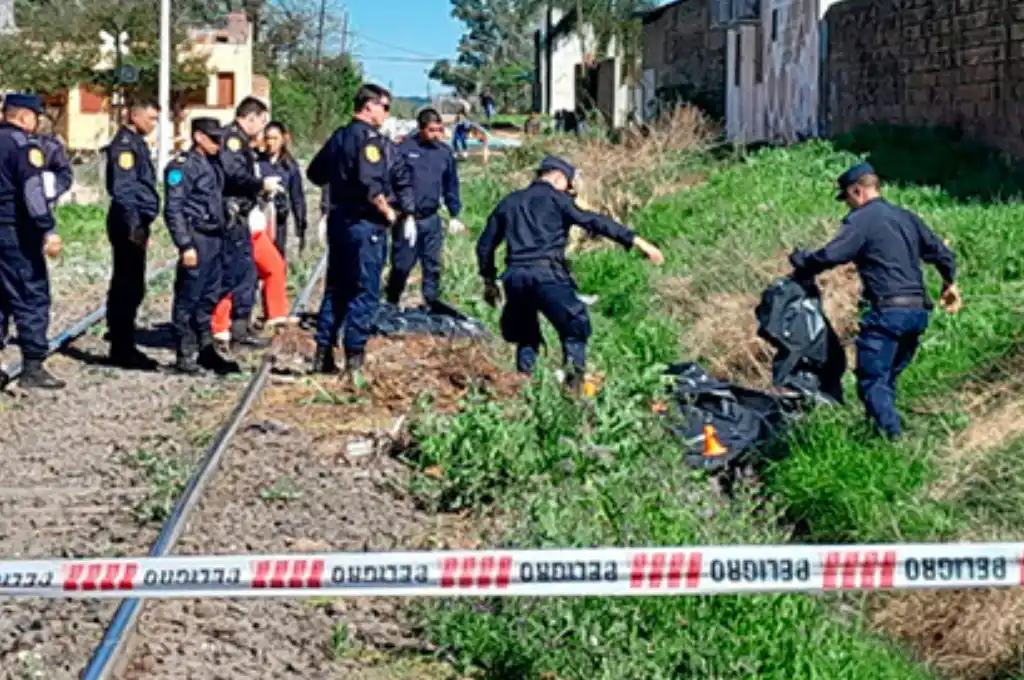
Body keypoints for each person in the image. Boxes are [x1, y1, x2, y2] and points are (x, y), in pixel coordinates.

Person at [789, 162, 962, 439]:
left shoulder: (862, 221)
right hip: (917, 313)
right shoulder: (906, 217)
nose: (847, 205)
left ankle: (893, 443)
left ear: (857, 191)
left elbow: (833, 255)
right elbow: (942, 254)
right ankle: (877, 434)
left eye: (846, 198)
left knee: (872, 380)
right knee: (885, 381)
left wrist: (803, 263)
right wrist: (948, 282)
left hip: (887, 314)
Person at [476, 155, 665, 394]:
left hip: (514, 278)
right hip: (547, 275)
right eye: (568, 184)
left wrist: (489, 280)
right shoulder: (558, 199)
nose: (570, 190)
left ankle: (524, 391)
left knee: (526, 337)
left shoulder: (509, 202)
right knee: (575, 328)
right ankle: (574, 392)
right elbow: (595, 221)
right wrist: (640, 243)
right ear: (558, 177)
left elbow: (485, 245)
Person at [306, 82, 415, 379]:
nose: (386, 113)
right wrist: (390, 213)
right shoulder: (369, 141)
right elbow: (371, 184)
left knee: (336, 288)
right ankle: (355, 357)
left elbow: (315, 173)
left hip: (339, 220)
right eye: (385, 106)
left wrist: (340, 182)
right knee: (364, 289)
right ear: (369, 106)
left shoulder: (339, 137)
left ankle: (323, 353)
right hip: (364, 224)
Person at [163, 118, 241, 376]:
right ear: (198, 137)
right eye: (213, 139)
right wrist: (185, 245)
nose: (219, 144)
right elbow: (173, 209)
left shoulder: (213, 164)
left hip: (215, 237)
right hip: (196, 236)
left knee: (209, 295)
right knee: (189, 296)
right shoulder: (182, 167)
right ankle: (185, 354)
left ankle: (205, 349)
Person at [0, 93, 64, 388]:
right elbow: (32, 191)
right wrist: (47, 228)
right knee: (31, 295)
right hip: (16, 231)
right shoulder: (24, 147)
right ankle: (33, 366)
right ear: (25, 117)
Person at [216, 96, 280, 350]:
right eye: (261, 122)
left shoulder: (243, 143)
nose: (263, 129)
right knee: (234, 272)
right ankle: (224, 328)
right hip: (232, 214)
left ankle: (239, 327)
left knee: (246, 273)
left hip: (242, 213)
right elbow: (233, 174)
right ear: (249, 118)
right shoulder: (233, 140)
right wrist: (259, 184)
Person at [102, 98, 161, 370]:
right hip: (128, 223)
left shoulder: (137, 143)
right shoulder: (124, 146)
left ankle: (124, 342)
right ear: (134, 116)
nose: (153, 124)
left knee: (133, 284)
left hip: (135, 222)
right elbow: (125, 191)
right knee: (127, 285)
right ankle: (121, 348)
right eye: (150, 118)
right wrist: (134, 225)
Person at [385, 107, 463, 310]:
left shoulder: (444, 153)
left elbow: (451, 184)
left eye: (439, 130)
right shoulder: (403, 150)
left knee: (432, 264)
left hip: (431, 218)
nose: (436, 134)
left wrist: (455, 213)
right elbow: (394, 183)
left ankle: (430, 302)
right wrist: (400, 211)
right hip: (407, 218)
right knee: (402, 264)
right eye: (431, 130)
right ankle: (392, 301)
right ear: (421, 129)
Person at [257, 120, 307, 257]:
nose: (270, 142)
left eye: (275, 138)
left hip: (279, 220)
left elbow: (297, 197)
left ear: (283, 139)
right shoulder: (258, 162)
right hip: (259, 218)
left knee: (277, 255)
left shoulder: (289, 166)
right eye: (268, 138)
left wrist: (301, 225)